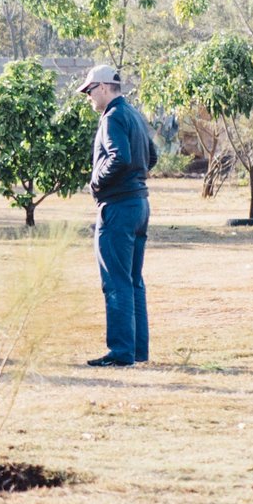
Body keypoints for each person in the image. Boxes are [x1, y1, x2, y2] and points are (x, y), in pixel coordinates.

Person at [81, 63, 155, 367]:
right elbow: (152, 156)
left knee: (116, 281)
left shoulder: (111, 118)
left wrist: (96, 182)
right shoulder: (134, 114)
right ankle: (138, 350)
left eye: (88, 91)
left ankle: (121, 353)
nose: (87, 97)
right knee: (133, 280)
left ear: (101, 87)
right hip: (139, 205)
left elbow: (119, 157)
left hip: (119, 208)